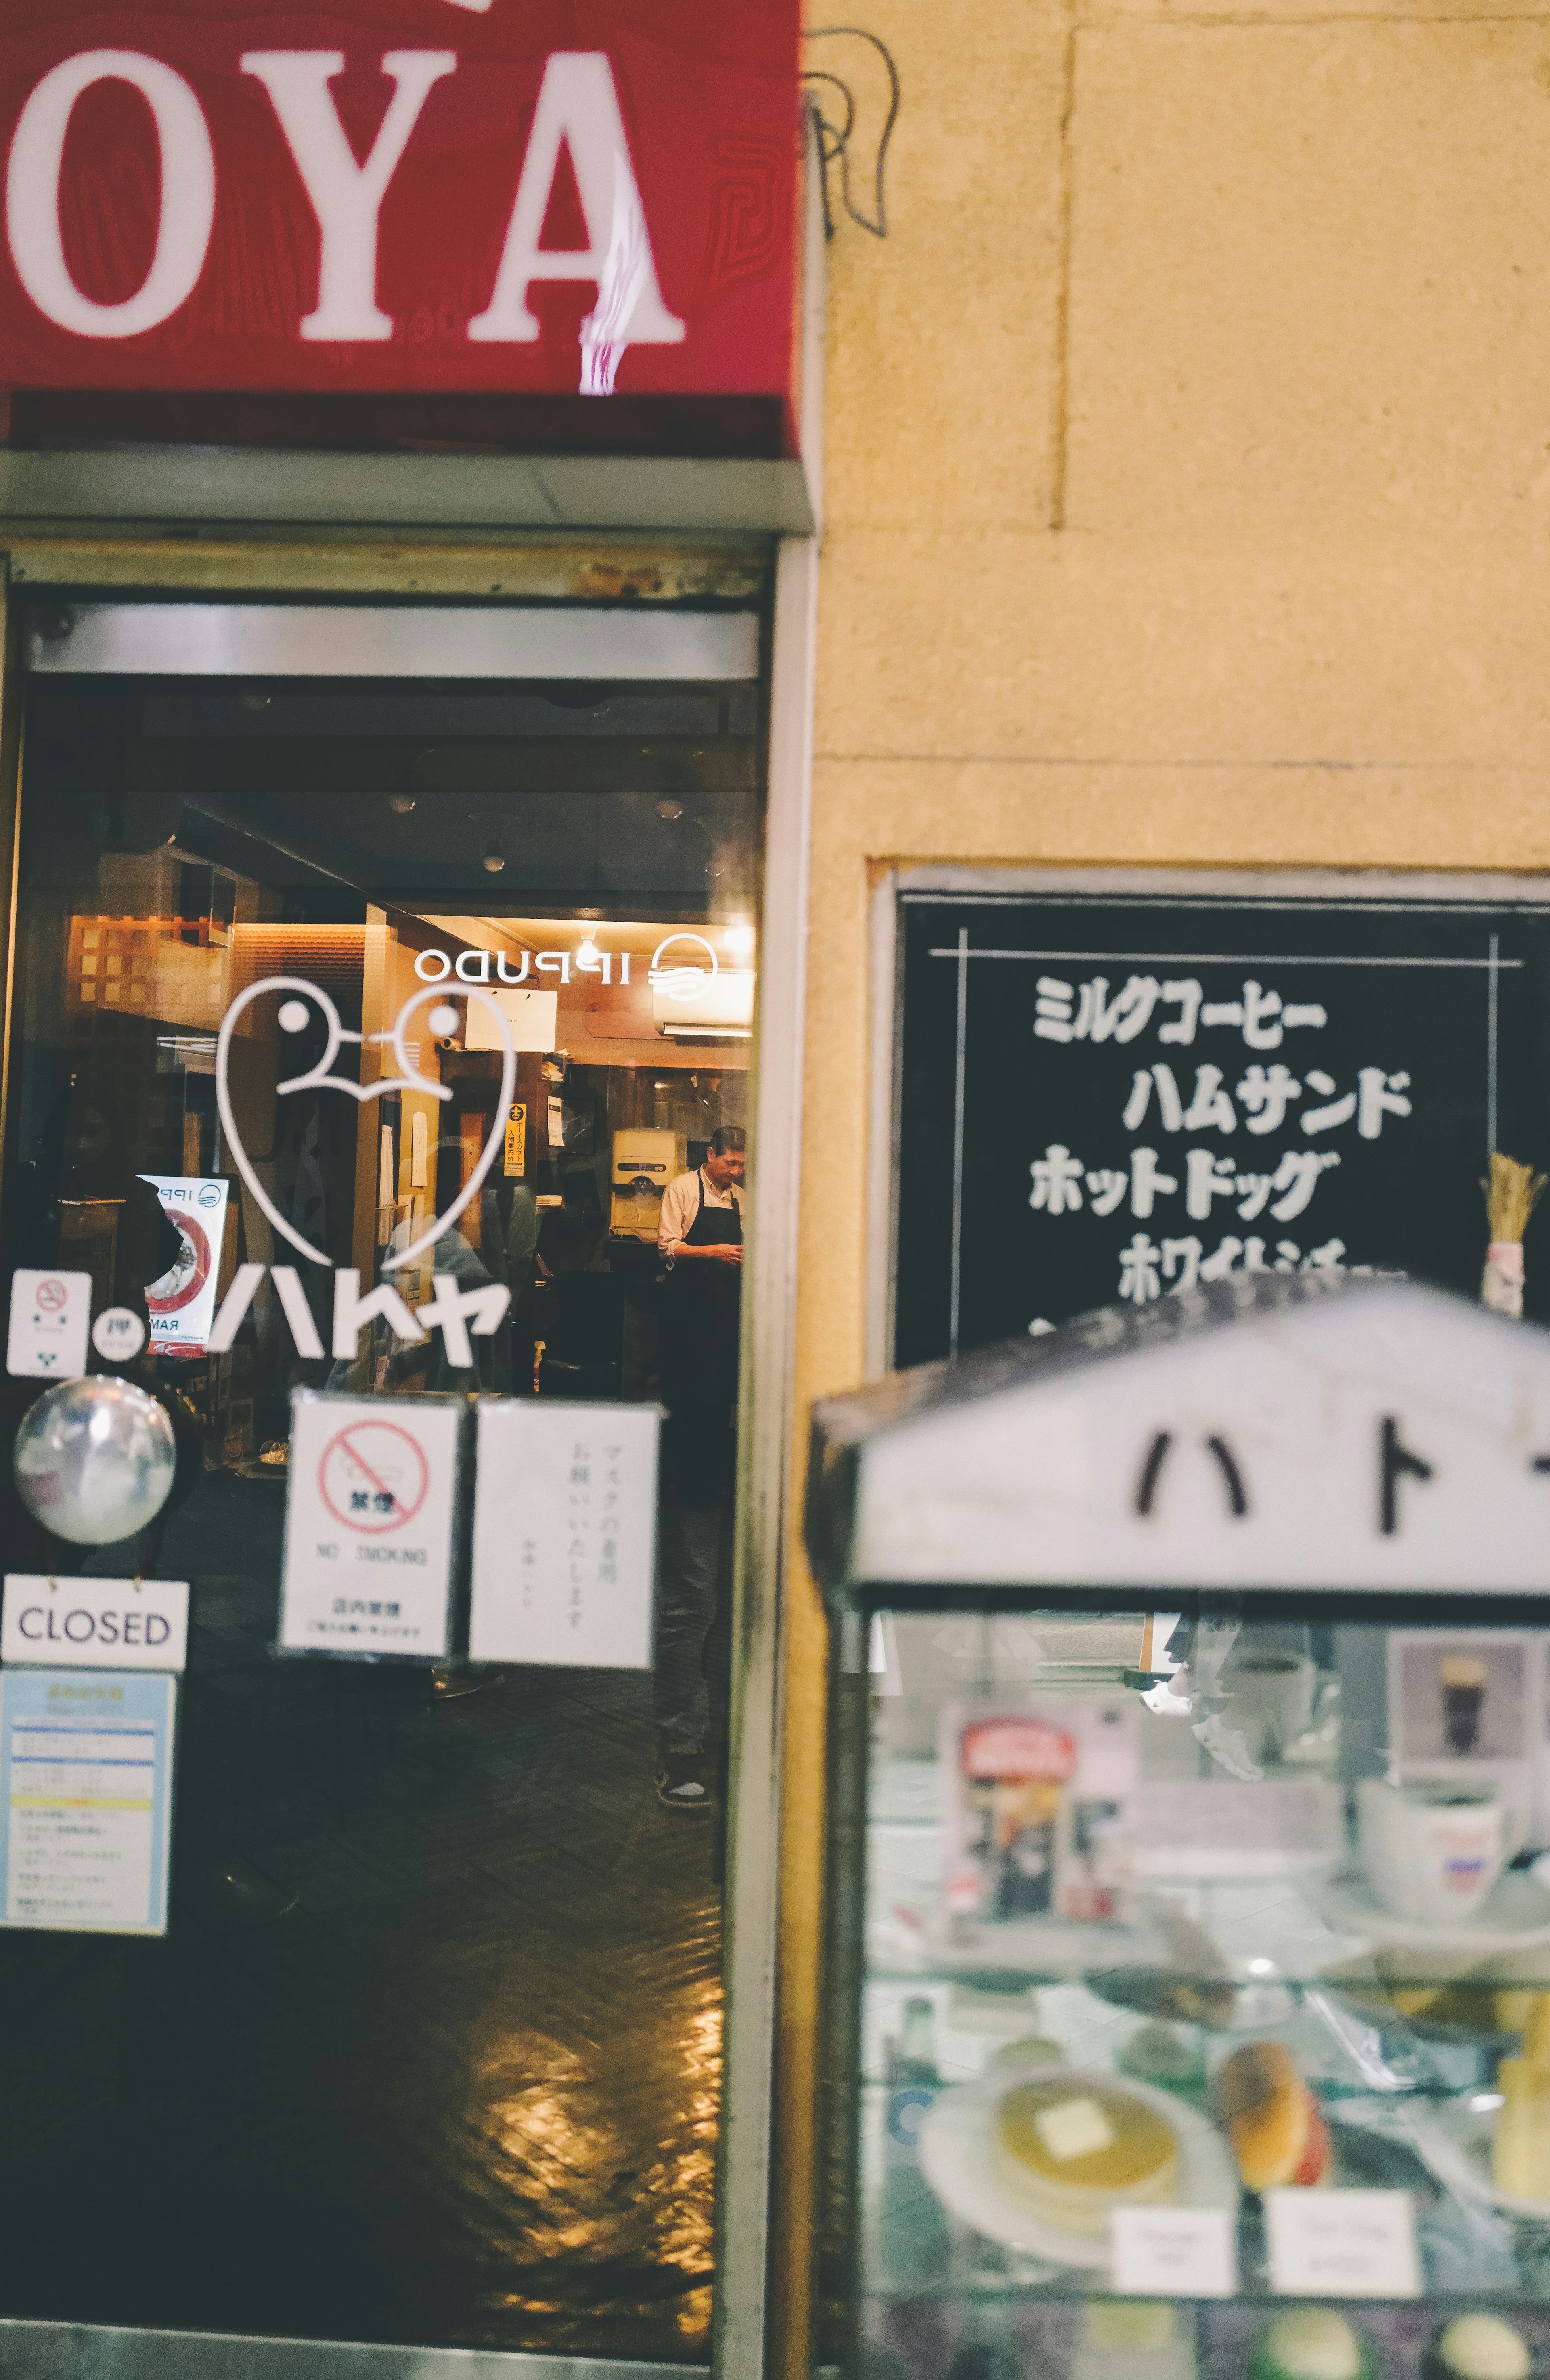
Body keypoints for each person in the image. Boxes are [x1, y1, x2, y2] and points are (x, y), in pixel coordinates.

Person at [652, 1125, 746, 1811]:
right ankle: (681, 1744)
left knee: (720, 1607)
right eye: (730, 1158)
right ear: (709, 1157)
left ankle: (714, 1735)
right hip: (696, 1457)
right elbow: (668, 1250)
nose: (735, 1168)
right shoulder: (683, 1194)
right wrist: (711, 1253)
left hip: (735, 1462)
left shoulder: (749, 1327)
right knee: (694, 1605)